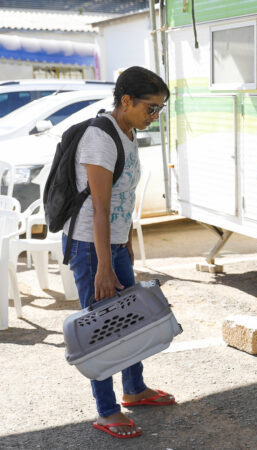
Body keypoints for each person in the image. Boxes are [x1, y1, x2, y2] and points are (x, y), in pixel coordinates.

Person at [63, 66, 174, 439]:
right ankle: (106, 411)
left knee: (133, 318)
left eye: (160, 109)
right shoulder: (100, 137)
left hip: (113, 242)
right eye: (150, 107)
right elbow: (99, 208)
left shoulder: (127, 132)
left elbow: (120, 201)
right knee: (102, 327)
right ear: (125, 100)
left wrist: (123, 240)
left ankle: (135, 390)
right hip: (90, 246)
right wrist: (104, 267)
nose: (154, 115)